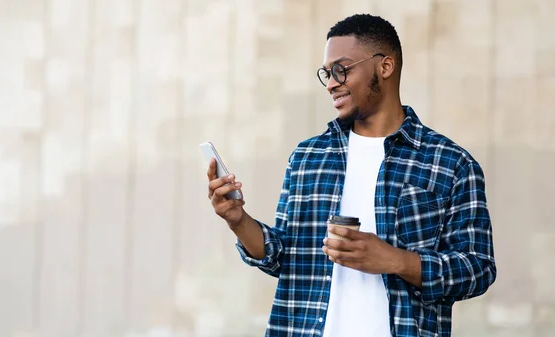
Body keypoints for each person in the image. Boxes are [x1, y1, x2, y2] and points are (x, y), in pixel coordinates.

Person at [206, 13, 496, 337]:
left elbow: (477, 269)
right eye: (327, 74)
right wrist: (237, 219)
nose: (331, 83)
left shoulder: (451, 164)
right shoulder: (308, 157)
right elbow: (282, 256)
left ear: (385, 67)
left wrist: (396, 260)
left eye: (341, 70)